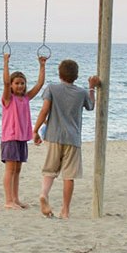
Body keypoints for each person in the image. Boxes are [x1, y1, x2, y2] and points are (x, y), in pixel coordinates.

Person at [31, 58, 99, 220]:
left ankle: (44, 194)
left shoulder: (52, 88)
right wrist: (92, 87)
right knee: (69, 176)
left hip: (53, 136)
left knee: (49, 170)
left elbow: (44, 111)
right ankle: (65, 210)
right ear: (76, 76)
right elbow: (91, 106)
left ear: (59, 74)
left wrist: (35, 130)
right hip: (73, 138)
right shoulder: (81, 92)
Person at [0, 52, 47, 210]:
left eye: (22, 83)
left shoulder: (25, 98)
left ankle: (15, 198)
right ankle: (8, 201)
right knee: (10, 169)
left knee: (17, 170)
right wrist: (6, 62)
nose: (20, 86)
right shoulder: (8, 98)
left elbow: (39, 85)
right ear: (12, 85)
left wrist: (42, 66)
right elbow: (5, 83)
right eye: (17, 83)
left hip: (22, 138)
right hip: (10, 137)